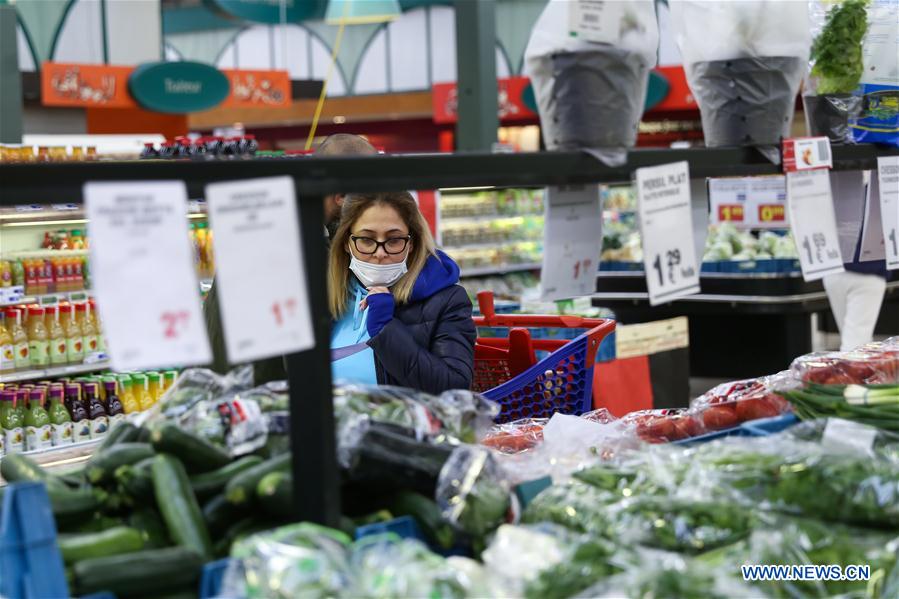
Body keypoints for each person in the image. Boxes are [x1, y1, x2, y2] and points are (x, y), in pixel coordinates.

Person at [204, 133, 376, 383]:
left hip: (219, 389)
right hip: (257, 399)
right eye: (368, 196)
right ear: (341, 195)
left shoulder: (267, 226)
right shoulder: (303, 250)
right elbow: (301, 358)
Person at [329, 191, 475, 394]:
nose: (380, 253)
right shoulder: (328, 295)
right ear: (346, 242)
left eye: (394, 240)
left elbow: (455, 390)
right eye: (367, 240)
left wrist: (385, 328)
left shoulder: (447, 301)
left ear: (412, 243)